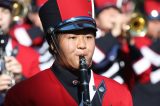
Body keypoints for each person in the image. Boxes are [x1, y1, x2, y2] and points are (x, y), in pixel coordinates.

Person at [4, 0, 133, 106]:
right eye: (72, 38)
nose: (82, 45)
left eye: (89, 37)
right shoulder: (23, 96)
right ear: (53, 44)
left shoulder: (120, 95)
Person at [0, 0, 41, 105]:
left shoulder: (31, 55)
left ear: (12, 16)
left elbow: (40, 97)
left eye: (4, 11)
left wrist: (21, 79)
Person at [131, 0, 160, 106]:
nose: (157, 26)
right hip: (144, 97)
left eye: (159, 22)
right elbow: (142, 72)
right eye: (153, 22)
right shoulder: (137, 41)